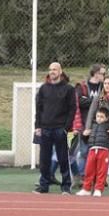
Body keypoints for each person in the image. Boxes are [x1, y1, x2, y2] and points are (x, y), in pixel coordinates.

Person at [34, 62, 76, 195]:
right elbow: (38, 109)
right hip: (45, 129)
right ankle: (44, 186)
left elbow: (72, 109)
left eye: (55, 69)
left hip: (60, 129)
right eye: (50, 69)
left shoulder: (68, 89)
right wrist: (38, 126)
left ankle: (66, 187)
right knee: (44, 160)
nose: (52, 72)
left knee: (63, 159)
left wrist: (66, 127)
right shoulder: (43, 88)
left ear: (60, 71)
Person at [72, 64, 106, 180]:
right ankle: (82, 176)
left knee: (98, 151)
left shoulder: (103, 87)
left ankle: (97, 176)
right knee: (84, 151)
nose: (104, 76)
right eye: (102, 73)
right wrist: (94, 101)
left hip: (100, 124)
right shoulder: (82, 86)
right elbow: (79, 102)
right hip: (84, 122)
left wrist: (90, 101)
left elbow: (103, 103)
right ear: (96, 74)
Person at [77, 106, 109, 197]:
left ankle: (98, 189)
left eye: (102, 117)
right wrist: (84, 135)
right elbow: (86, 139)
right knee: (89, 170)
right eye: (98, 116)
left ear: (106, 118)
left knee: (101, 171)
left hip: (103, 151)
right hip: (92, 150)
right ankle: (86, 189)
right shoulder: (92, 125)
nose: (99, 118)